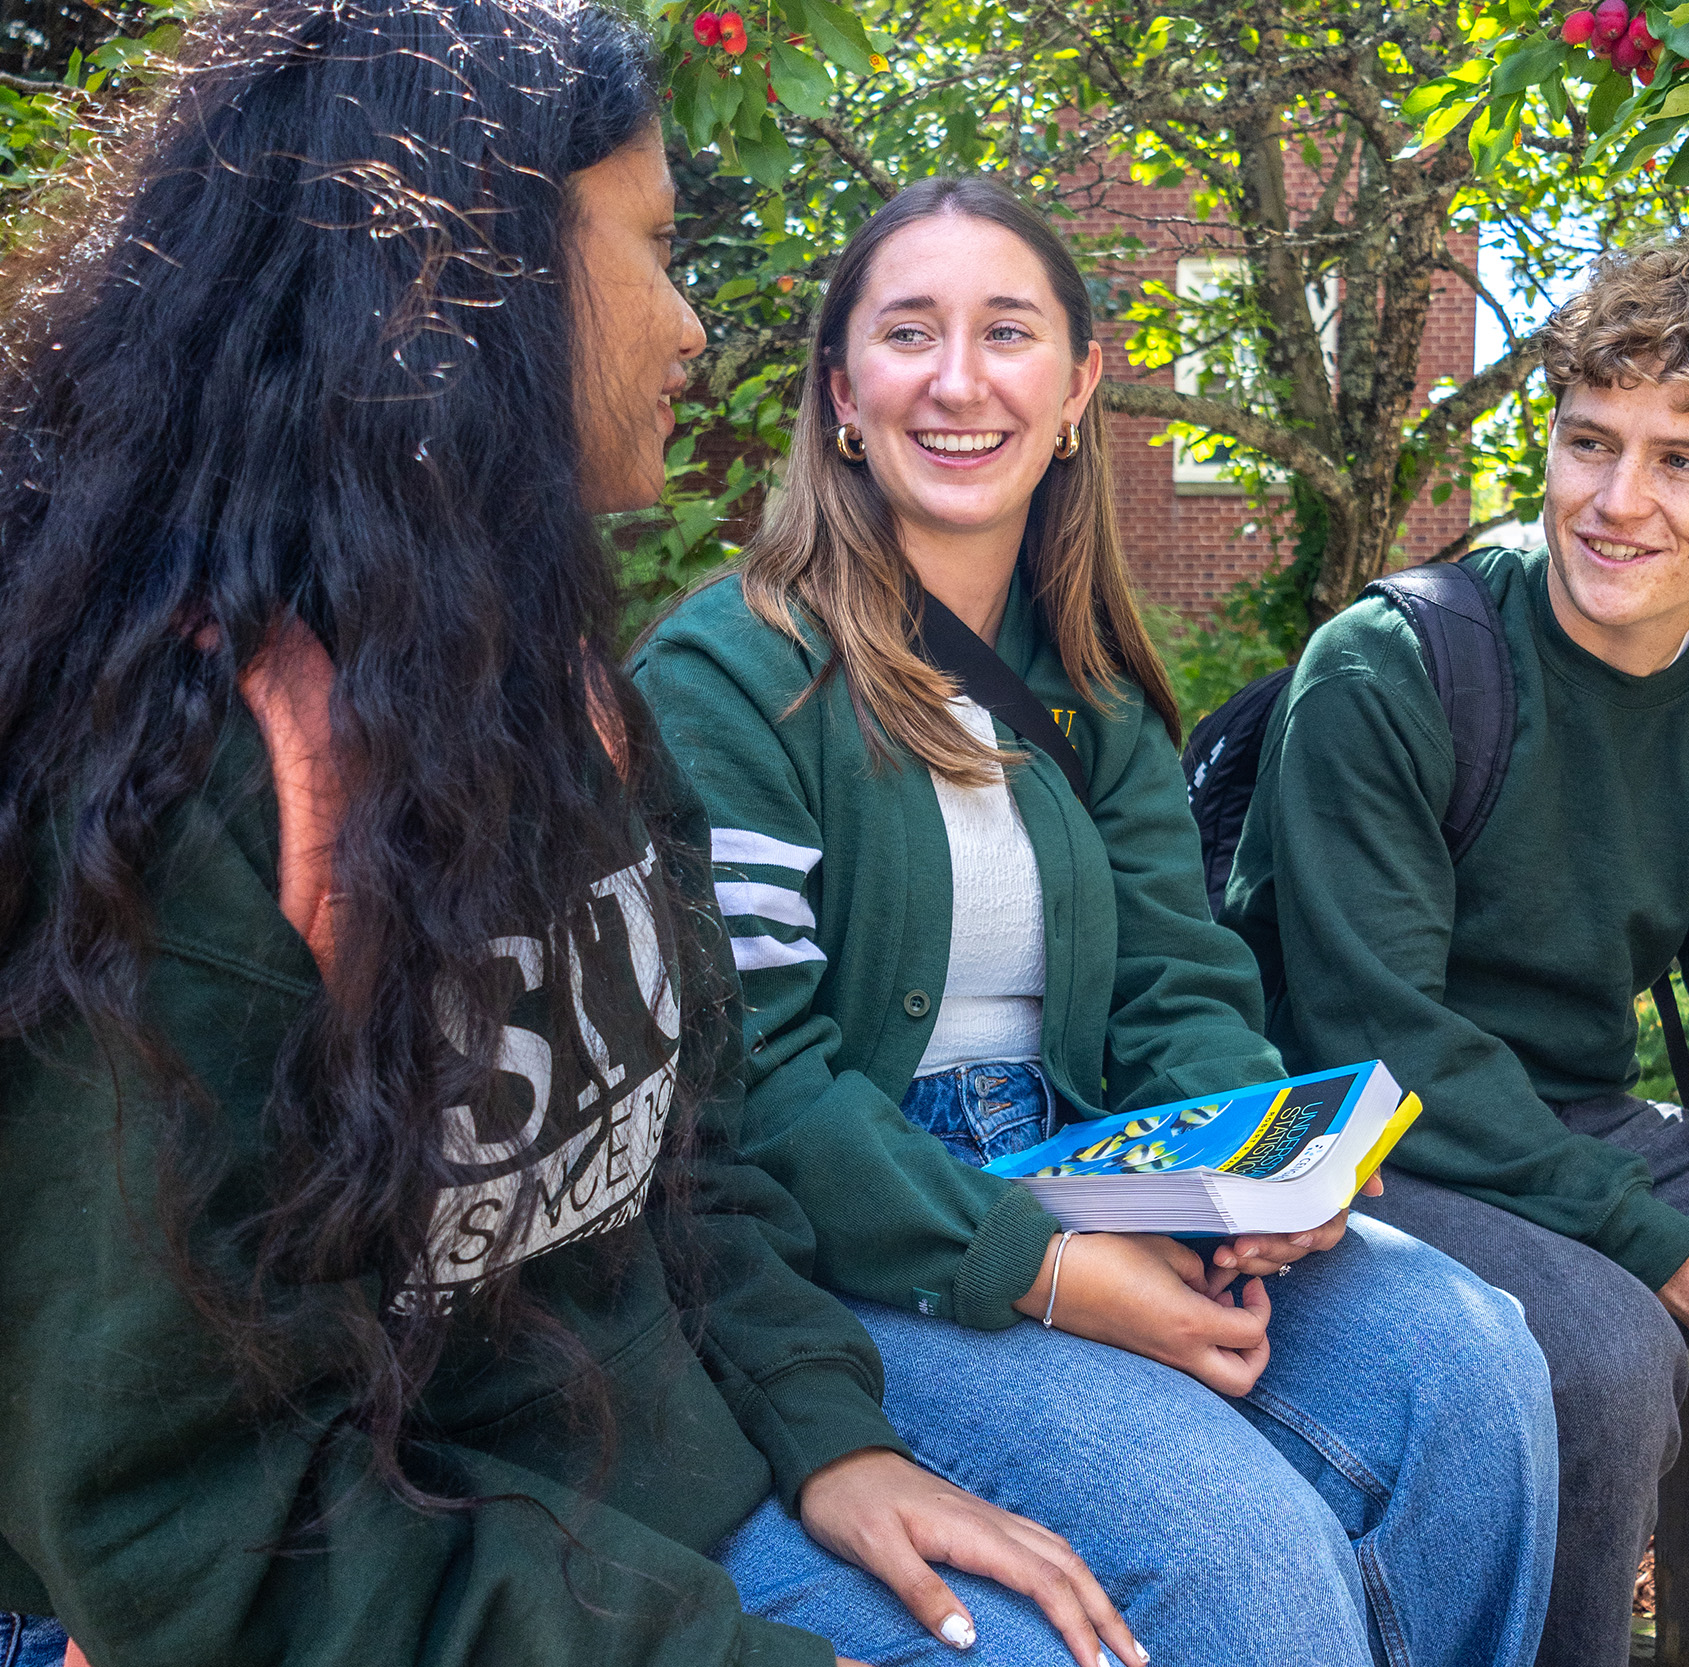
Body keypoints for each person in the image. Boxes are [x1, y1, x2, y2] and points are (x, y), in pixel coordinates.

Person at [0, 7, 1156, 1665]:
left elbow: (690, 1146)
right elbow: (200, 1527)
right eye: (658, 246)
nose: (692, 326)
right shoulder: (184, 778)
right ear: (459, 284)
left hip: (643, 1481)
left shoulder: (549, 679)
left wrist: (833, 1435)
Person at [636, 173, 1559, 1667]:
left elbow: (1171, 983)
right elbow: (752, 1085)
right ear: (842, 396)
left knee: (1471, 1361)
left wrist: (1249, 1175)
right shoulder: (730, 673)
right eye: (907, 334)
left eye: (1006, 332)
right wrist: (1049, 1269)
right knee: (1236, 1552)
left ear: (1076, 388)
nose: (957, 379)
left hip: (1098, 1174)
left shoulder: (1087, 684)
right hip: (858, 1243)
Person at [1222, 234, 1689, 1667]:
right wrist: (1684, 1265)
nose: (1615, 503)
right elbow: (1378, 1033)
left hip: (1566, 1125)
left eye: (1682, 460)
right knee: (1602, 1351)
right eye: (1586, 444)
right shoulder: (1394, 666)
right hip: (1347, 1131)